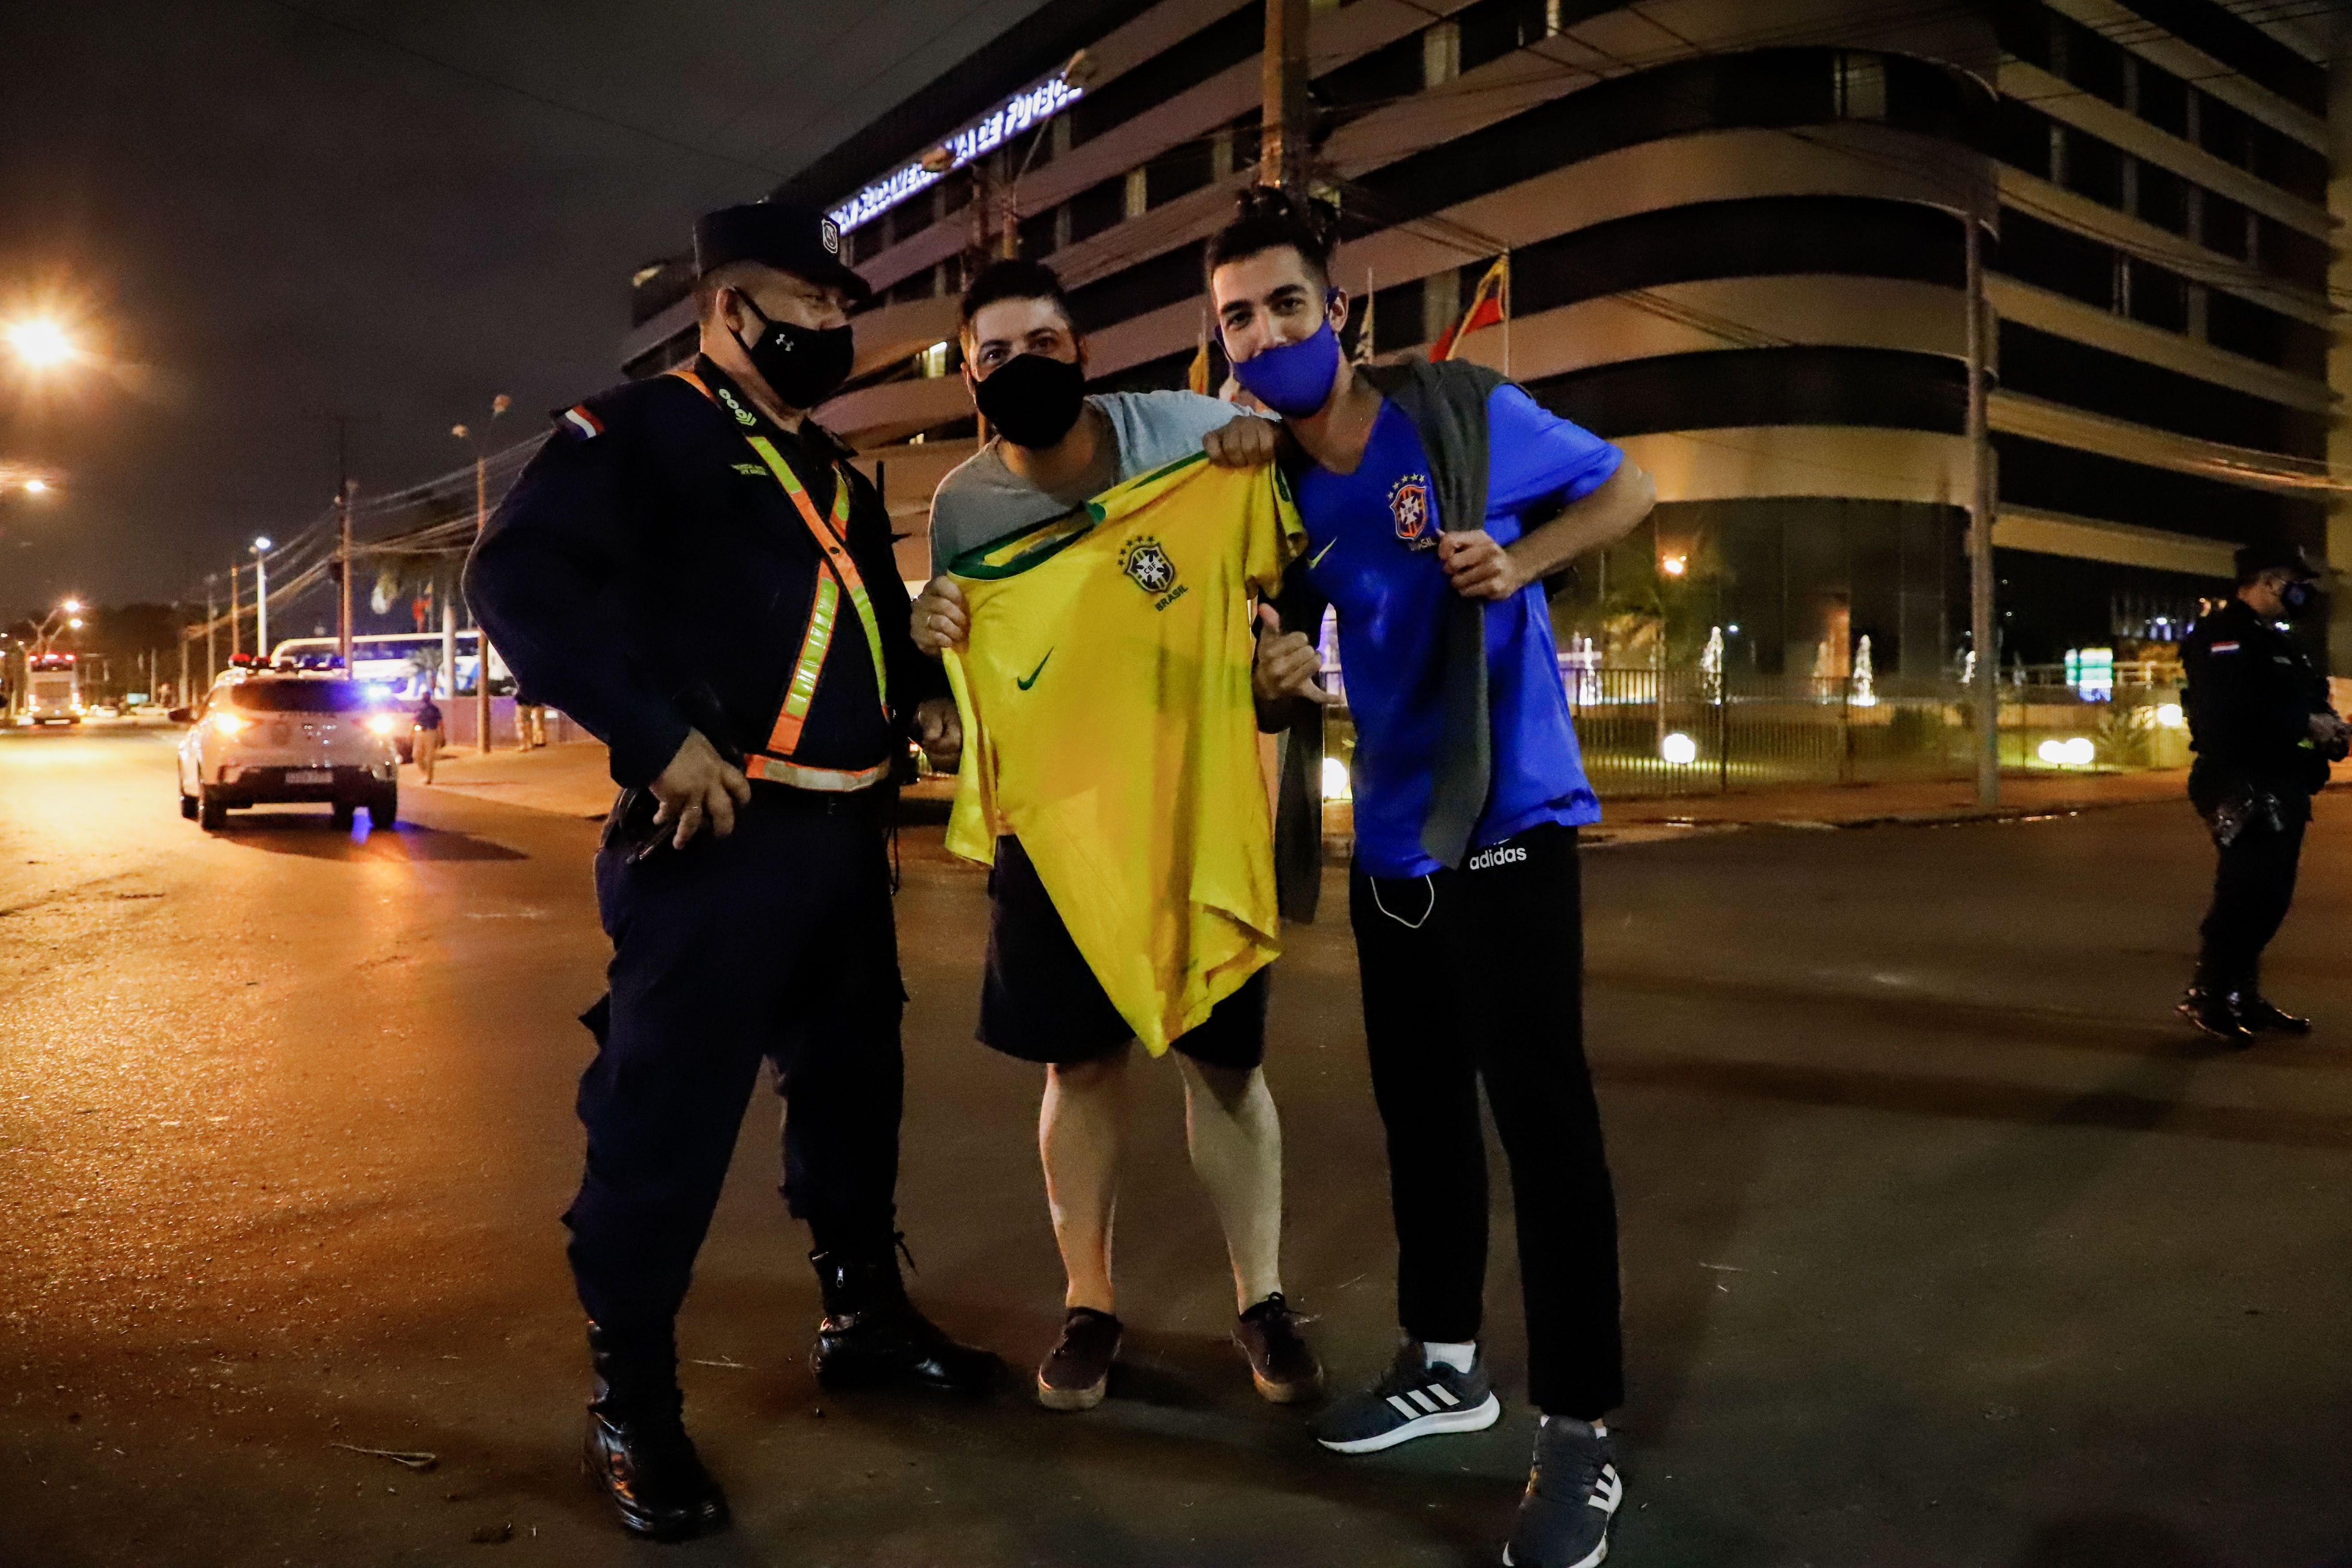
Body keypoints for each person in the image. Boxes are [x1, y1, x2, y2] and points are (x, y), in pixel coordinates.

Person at [464, 201, 997, 1544]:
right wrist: (653, 738)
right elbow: (515, 579)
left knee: (853, 1091)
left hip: (841, 837)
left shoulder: (835, 475)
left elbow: (864, 620)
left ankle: (861, 1311)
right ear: (722, 308)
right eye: (794, 304)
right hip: (712, 847)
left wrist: (919, 692)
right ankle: (631, 1399)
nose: (822, 326)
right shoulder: (633, 432)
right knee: (664, 1123)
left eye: (835, 308)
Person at [1211, 188, 1656, 1568]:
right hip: (1391, 838)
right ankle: (1444, 1362)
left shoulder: (1457, 416)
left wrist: (1515, 559)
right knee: (1421, 1116)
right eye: (1237, 316)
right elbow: (1277, 661)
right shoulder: (1272, 488)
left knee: (1546, 1129)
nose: (1266, 329)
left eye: (1287, 302)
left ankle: (1579, 1430)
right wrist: (1277, 680)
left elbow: (1631, 488)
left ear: (1334, 310)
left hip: (1506, 818)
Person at [908, 259, 1320, 1413]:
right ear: (970, 378)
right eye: (994, 353)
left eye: (1043, 340)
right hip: (1061, 829)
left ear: (1081, 351)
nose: (1021, 364)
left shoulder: (1190, 434)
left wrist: (1262, 448)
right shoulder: (963, 508)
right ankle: (1088, 1303)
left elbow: (1286, 559)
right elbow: (965, 671)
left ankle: (1263, 1298)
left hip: (1196, 806)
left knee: (1226, 1066)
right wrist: (925, 631)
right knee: (1077, 1066)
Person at [2177, 542, 2347, 1044]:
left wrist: (2331, 727)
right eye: (2297, 583)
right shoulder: (2222, 637)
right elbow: (2229, 711)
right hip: (2238, 779)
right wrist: (2305, 723)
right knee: (2245, 894)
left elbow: (2309, 698)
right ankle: (2207, 995)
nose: (2303, 593)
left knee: (2272, 898)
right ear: (2270, 580)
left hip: (2284, 780)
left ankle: (2242, 995)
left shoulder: (2282, 641)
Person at [411, 692, 444, 784]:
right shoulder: (419, 708)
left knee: (430, 757)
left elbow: (440, 723)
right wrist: (411, 734)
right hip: (420, 732)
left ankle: (429, 778)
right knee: (416, 755)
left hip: (431, 732)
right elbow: (415, 721)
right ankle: (426, 773)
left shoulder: (434, 709)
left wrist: (442, 736)